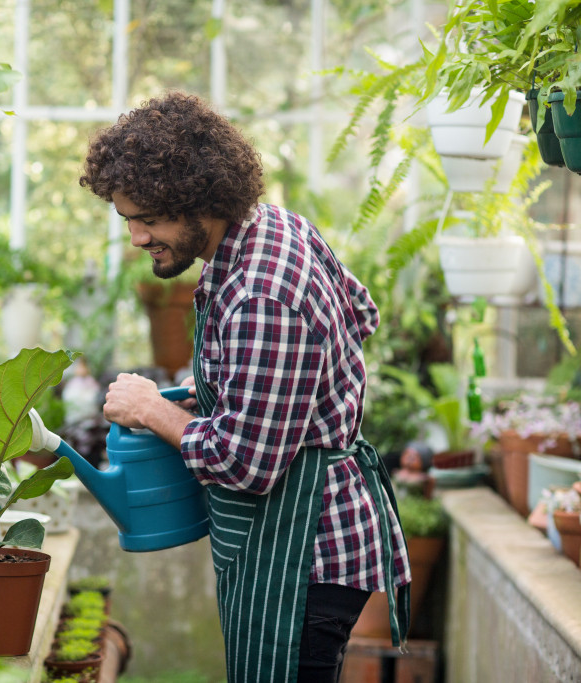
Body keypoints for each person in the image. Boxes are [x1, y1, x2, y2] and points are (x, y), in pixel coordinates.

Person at [79, 91, 411, 683]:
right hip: (293, 542)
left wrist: (155, 410)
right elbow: (362, 314)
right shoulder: (273, 226)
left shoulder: (262, 292)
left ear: (199, 200)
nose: (135, 237)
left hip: (302, 552)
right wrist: (245, 389)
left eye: (149, 219)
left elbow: (247, 464)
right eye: (127, 217)